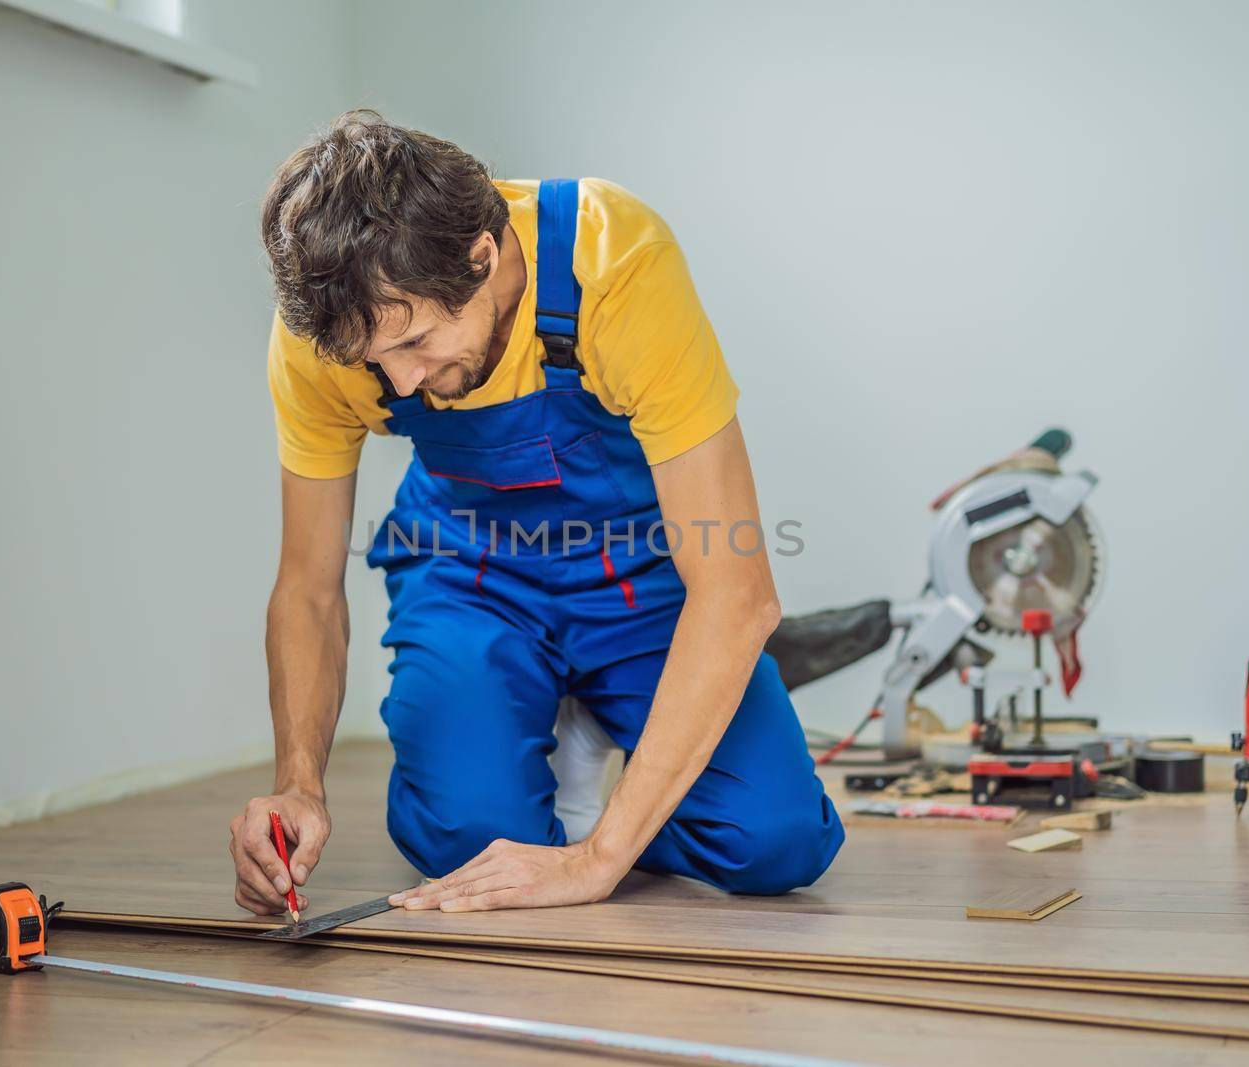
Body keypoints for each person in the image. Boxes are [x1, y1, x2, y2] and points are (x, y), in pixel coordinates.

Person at [228, 111, 842, 917]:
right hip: (468, 575)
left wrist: (599, 857)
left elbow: (738, 593)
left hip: (638, 577)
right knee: (469, 838)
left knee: (773, 839)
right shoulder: (333, 329)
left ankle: (595, 735)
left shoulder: (617, 262)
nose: (401, 386)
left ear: (481, 256)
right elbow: (308, 587)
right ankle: (532, 734)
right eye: (376, 363)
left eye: (415, 343)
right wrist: (296, 783)